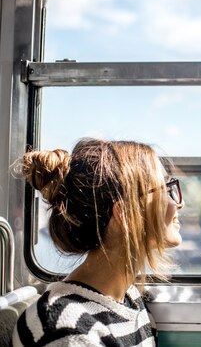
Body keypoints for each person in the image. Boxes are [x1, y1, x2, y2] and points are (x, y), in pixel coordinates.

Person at [11, 138, 184, 346]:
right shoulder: (65, 328)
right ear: (126, 214)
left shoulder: (129, 299)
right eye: (165, 190)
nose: (178, 203)